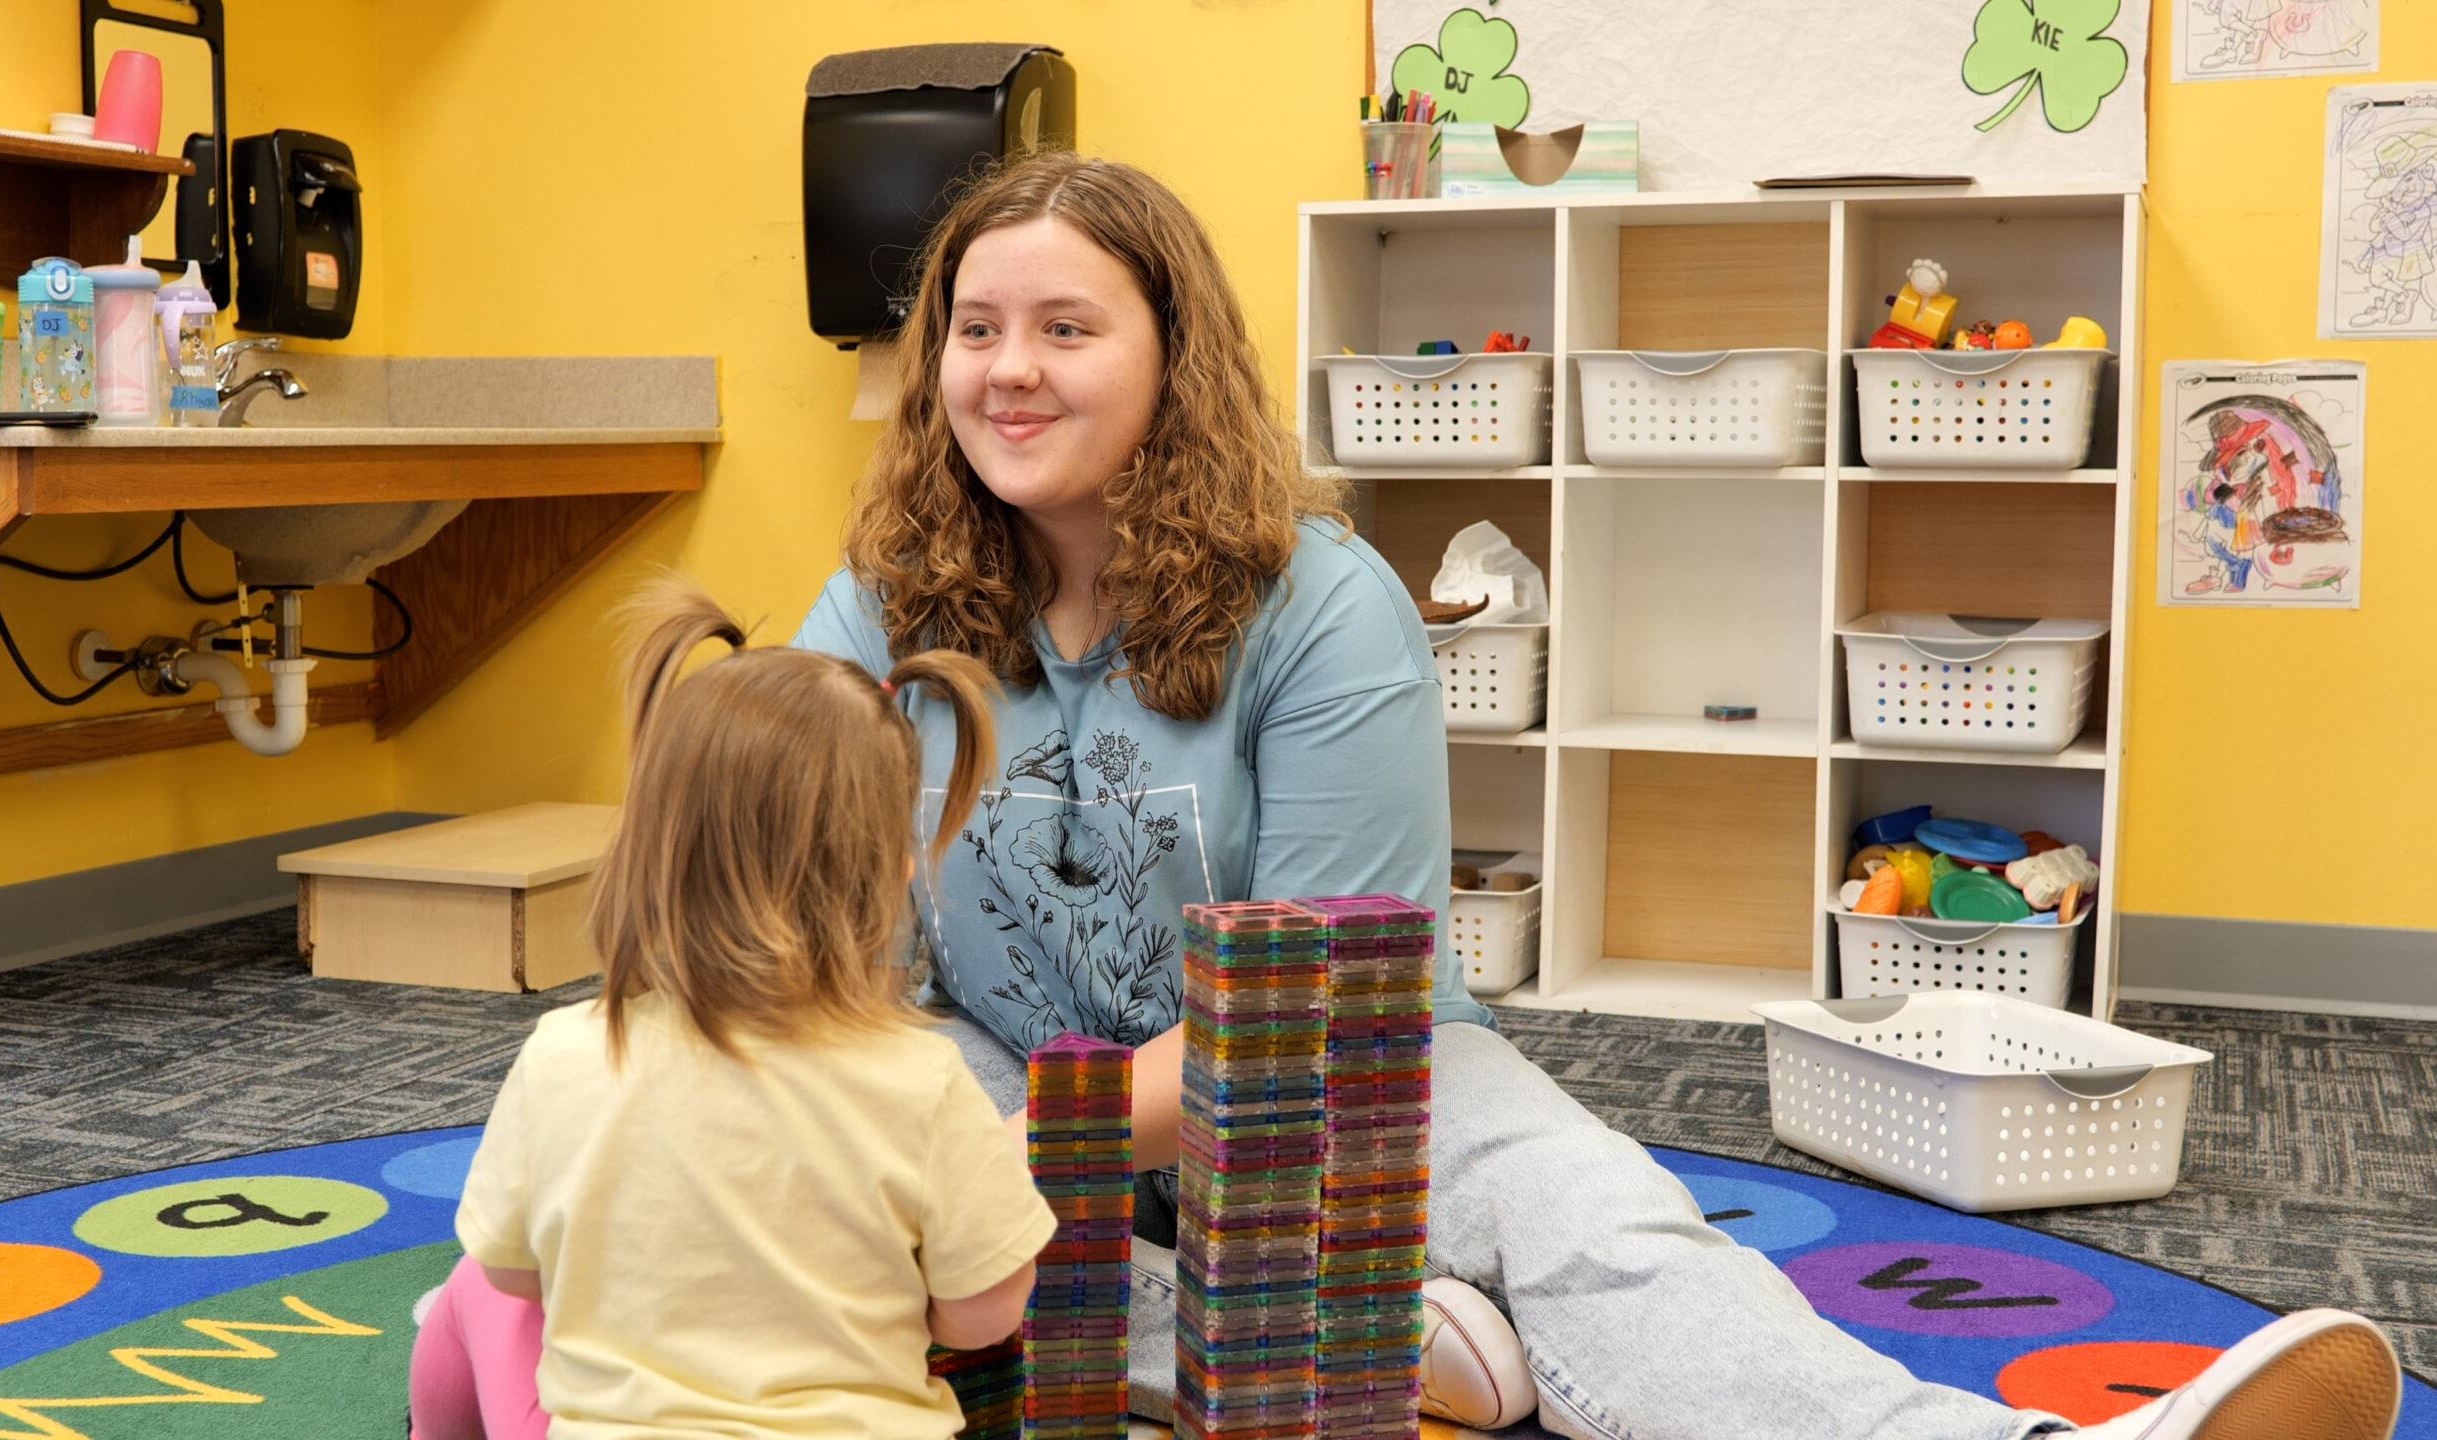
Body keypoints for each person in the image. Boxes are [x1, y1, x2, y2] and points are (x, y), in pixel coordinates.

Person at [791, 150, 2405, 1440]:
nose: (1006, 372)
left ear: (1170, 355)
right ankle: (1343, 1326)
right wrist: (900, 1121)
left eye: (1066, 329)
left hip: (1324, 1064)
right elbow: (772, 875)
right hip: (1004, 1075)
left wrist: (1004, 1163)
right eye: (975, 328)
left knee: (1598, 1222)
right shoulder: (878, 598)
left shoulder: (1324, 600)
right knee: (777, 1167)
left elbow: (1306, 1002)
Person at [408, 586, 1054, 1440]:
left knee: (467, 1295)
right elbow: (985, 1316)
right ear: (895, 873)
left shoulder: (565, 1053)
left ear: (642, 848)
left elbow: (516, 1275)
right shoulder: (927, 1081)